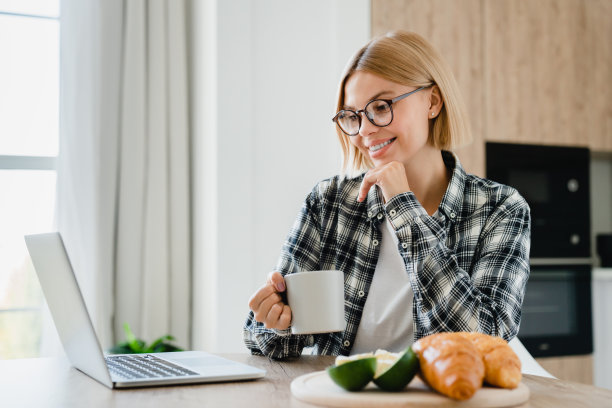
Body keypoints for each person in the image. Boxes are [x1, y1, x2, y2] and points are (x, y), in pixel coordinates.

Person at [243, 30, 530, 359]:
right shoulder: (329, 202)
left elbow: (483, 343)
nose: (364, 130)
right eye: (353, 116)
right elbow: (268, 340)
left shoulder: (500, 209)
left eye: (380, 106)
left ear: (432, 102)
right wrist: (274, 319)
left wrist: (404, 209)